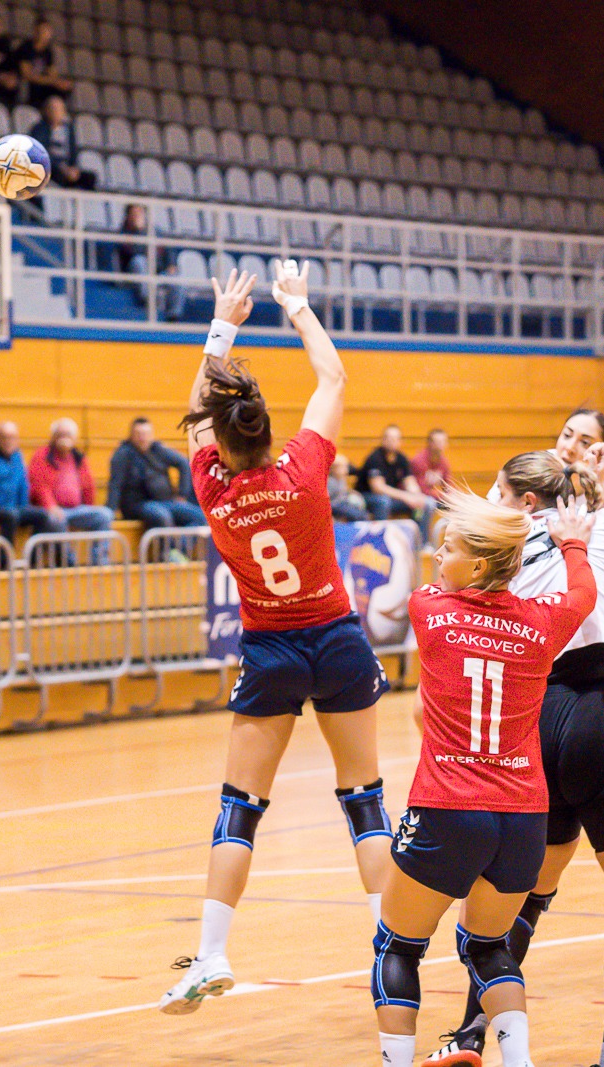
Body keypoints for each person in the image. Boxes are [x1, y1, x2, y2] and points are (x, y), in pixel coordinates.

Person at [158, 263, 393, 1015]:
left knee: (241, 806)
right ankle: (394, 951)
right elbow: (334, 377)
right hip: (337, 639)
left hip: (271, 652)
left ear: (221, 441)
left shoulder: (212, 486)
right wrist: (297, 307)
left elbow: (197, 412)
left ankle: (211, 955)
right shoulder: (304, 468)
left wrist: (220, 331)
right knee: (364, 800)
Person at [431, 450, 604, 1067]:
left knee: (518, 897)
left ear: (527, 500)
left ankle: (469, 1033)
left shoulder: (499, 546)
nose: (492, 501)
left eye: (497, 489)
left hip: (535, 716)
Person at [375, 487, 596, 1067]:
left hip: (448, 805)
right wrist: (573, 544)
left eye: (447, 548)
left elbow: (426, 599)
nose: (437, 556)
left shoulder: (430, 611)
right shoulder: (542, 622)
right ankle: (518, 1062)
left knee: (397, 946)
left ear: (477, 566)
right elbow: (582, 595)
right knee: (489, 946)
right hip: (523, 817)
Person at [27, 418, 114, 544]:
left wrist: (88, 506)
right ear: (53, 437)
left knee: (105, 515)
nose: (64, 438)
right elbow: (39, 485)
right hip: (52, 509)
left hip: (76, 509)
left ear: (74, 438)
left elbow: (88, 486)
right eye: (61, 434)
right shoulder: (42, 456)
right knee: (56, 519)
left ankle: (100, 556)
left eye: (68, 435)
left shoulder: (79, 458)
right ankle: (68, 556)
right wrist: (51, 506)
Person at [107, 417, 204, 530]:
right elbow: (115, 484)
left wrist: (182, 494)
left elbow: (183, 463)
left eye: (146, 434)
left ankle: (179, 542)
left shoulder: (158, 449)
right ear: (131, 436)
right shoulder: (123, 454)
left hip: (165, 502)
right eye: (138, 434)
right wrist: (111, 511)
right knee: (161, 516)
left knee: (200, 517)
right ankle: (170, 541)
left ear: (151, 435)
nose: (142, 438)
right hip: (138, 504)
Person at [0, 421, 54, 541]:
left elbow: (23, 487)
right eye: (4, 437)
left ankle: (32, 552)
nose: (8, 441)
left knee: (42, 515)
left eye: (12, 438)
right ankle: (6, 553)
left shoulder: (18, 457)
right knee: (11, 516)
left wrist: (25, 509)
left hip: (13, 509)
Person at [360, 425, 435, 540]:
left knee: (427, 503)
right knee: (383, 502)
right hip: (369, 497)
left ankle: (421, 543)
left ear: (400, 441)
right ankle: (381, 541)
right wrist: (406, 496)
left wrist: (417, 496)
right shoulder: (375, 458)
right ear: (383, 440)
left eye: (395, 439)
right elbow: (378, 488)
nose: (392, 442)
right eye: (389, 438)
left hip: (392, 498)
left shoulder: (401, 459)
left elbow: (409, 482)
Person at [29, 94, 95, 190]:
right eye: (53, 109)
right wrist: (60, 168)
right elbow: (41, 153)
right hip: (50, 168)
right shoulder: (39, 129)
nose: (56, 112)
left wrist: (73, 168)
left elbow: (73, 150)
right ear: (46, 111)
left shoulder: (68, 129)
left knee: (90, 178)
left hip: (67, 168)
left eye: (59, 109)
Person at [14, 18, 73, 108]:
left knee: (65, 87)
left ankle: (55, 109)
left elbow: (52, 73)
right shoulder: (26, 47)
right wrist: (50, 81)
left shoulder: (48, 51)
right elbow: (26, 75)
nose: (43, 34)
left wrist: (58, 82)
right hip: (29, 84)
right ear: (35, 31)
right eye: (41, 31)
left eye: (46, 31)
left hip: (43, 83)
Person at [410, 428, 451, 502]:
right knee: (429, 503)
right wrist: (443, 496)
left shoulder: (444, 463)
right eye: (438, 442)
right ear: (430, 443)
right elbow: (421, 489)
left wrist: (452, 496)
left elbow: (448, 485)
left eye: (443, 442)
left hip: (430, 496)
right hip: (413, 496)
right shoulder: (419, 461)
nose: (441, 445)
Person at [329, 454, 368, 523]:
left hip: (343, 501)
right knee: (357, 515)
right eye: (342, 468)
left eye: (346, 467)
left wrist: (352, 492)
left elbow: (343, 491)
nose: (346, 470)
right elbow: (327, 499)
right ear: (333, 469)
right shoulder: (330, 482)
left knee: (363, 512)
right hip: (335, 504)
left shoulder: (341, 478)